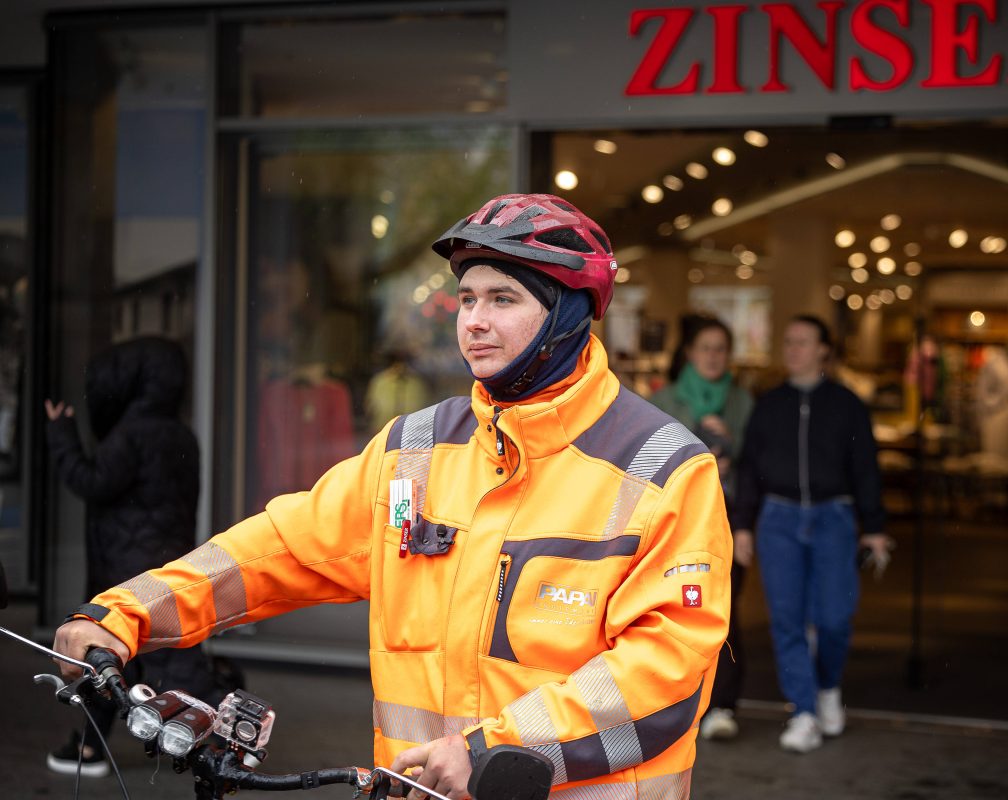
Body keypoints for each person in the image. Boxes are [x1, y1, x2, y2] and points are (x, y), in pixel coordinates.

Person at [52, 194, 731, 800]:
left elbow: (663, 671)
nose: (474, 322)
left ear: (569, 315)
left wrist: (490, 751)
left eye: (503, 299)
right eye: (467, 298)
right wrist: (126, 613)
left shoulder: (663, 468)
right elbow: (281, 548)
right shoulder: (416, 450)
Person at [43, 336, 216, 777]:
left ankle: (94, 747)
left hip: (124, 563)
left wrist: (62, 436)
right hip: (166, 559)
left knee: (111, 653)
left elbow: (91, 481)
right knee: (167, 655)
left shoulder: (132, 434)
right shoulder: (182, 434)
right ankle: (209, 739)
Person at [731, 315, 893, 754]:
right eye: (788, 342)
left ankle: (826, 688)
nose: (793, 349)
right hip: (778, 519)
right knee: (786, 619)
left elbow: (866, 469)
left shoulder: (847, 404)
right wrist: (743, 524)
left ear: (824, 349)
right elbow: (749, 469)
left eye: (803, 342)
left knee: (834, 618)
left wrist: (874, 527)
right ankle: (802, 711)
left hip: (833, 518)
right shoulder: (769, 404)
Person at [650, 314, 753, 740]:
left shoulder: (744, 402)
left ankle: (723, 706)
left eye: (721, 349)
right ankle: (675, 702)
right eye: (705, 347)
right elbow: (649, 463)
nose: (713, 356)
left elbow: (761, 468)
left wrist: (734, 450)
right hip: (678, 523)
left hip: (727, 521)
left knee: (722, 614)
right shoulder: (664, 401)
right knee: (674, 611)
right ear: (689, 353)